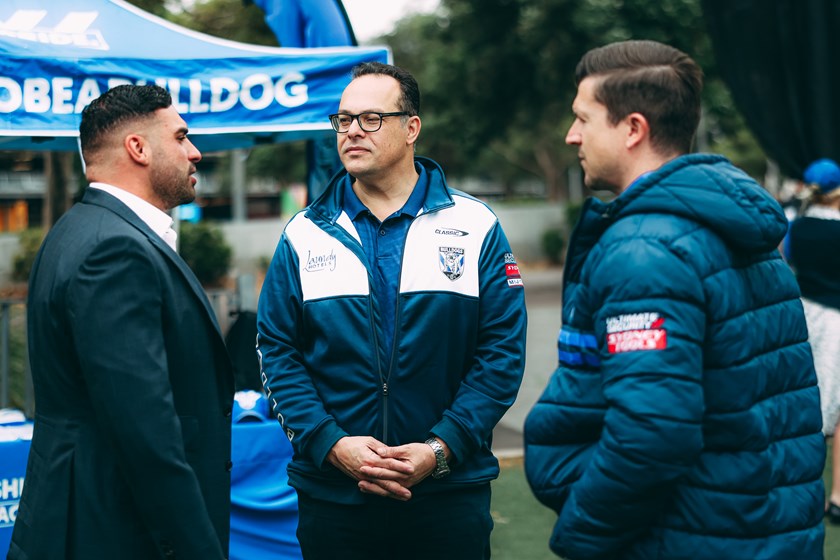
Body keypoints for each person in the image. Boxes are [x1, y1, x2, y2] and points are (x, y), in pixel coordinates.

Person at [523, 40, 825, 560]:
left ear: (633, 129)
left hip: (691, 536)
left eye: (583, 119)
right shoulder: (737, 227)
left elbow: (650, 434)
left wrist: (582, 533)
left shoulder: (644, 249)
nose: (572, 135)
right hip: (763, 531)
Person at [257, 62, 527, 560]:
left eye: (371, 118)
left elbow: (501, 355)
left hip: (448, 496)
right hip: (335, 499)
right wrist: (329, 443)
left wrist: (440, 449)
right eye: (343, 120)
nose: (352, 131)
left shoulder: (476, 226)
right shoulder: (303, 234)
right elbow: (277, 352)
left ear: (411, 128)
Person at [8, 84, 235, 560]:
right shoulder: (114, 250)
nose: (195, 152)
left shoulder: (79, 229)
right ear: (138, 148)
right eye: (181, 137)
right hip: (114, 529)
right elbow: (145, 431)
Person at [788, 157, 840, 524]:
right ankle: (837, 496)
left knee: (807, 402)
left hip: (805, 317)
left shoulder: (797, 227)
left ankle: (804, 491)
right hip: (837, 321)